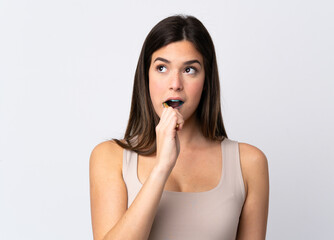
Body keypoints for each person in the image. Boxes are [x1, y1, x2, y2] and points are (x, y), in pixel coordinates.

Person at [89, 14, 269, 240]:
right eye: (162, 68)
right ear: (145, 76)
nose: (175, 84)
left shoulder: (249, 163)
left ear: (206, 81)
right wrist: (162, 167)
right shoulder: (110, 157)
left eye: (189, 70)